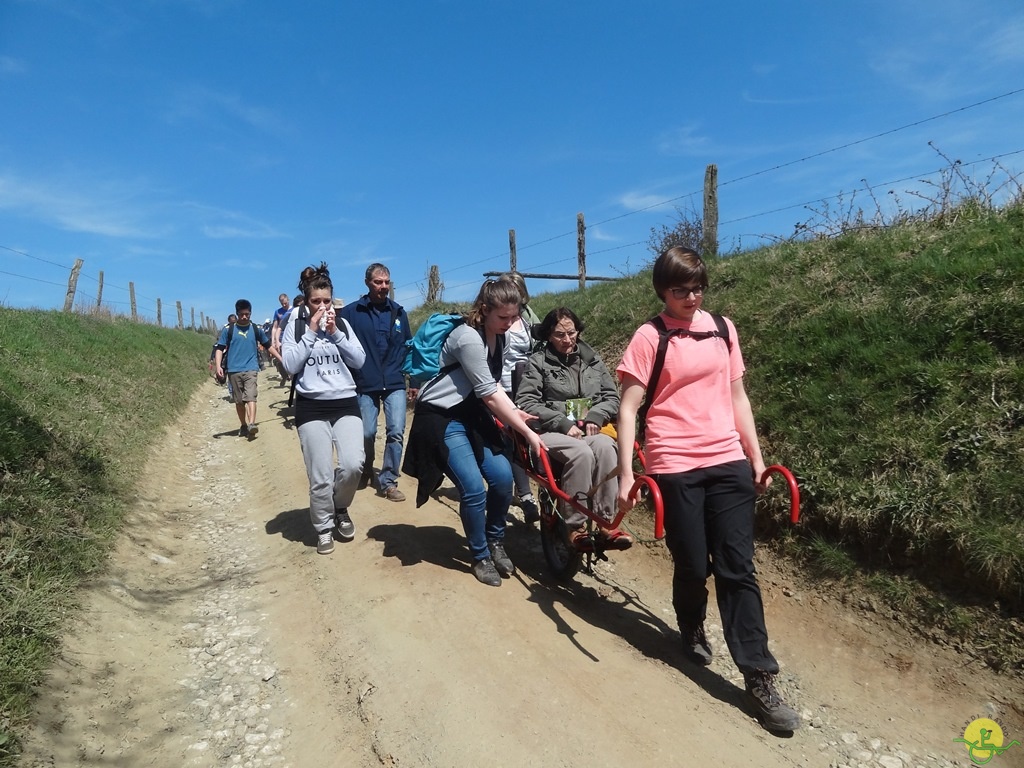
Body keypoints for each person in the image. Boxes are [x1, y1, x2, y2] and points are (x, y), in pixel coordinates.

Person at [614, 246, 800, 732]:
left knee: (738, 567)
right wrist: (626, 473)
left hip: (727, 461)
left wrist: (755, 458)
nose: (691, 297)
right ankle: (692, 622)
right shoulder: (649, 336)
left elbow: (738, 396)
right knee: (693, 563)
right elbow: (629, 409)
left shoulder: (722, 328)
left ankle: (758, 674)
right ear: (661, 290)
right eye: (680, 290)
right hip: (674, 463)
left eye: (698, 288)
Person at [403, 277, 545, 587]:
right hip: (443, 417)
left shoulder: (500, 336)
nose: (510, 323)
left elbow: (494, 386)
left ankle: (495, 540)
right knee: (472, 488)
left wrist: (514, 411)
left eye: (515, 316)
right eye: (503, 317)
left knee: (502, 479)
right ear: (484, 309)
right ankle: (480, 555)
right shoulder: (468, 337)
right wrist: (526, 431)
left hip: (473, 414)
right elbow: (489, 393)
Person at [516, 307, 632, 550]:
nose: (567, 340)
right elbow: (526, 401)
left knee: (606, 447)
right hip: (551, 432)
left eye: (572, 332)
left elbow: (611, 396)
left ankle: (604, 523)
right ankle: (574, 525)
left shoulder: (592, 360)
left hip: (589, 430)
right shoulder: (538, 363)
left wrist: (597, 415)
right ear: (548, 335)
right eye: (560, 334)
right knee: (581, 453)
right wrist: (562, 423)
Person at [280, 263, 367, 555]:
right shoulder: (296, 324)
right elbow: (290, 365)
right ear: (306, 301)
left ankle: (340, 506)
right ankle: (323, 526)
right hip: (311, 407)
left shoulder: (341, 324)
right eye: (316, 301)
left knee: (354, 464)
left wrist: (335, 334)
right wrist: (312, 331)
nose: (322, 306)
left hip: (345, 401)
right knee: (320, 476)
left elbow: (359, 360)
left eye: (326, 301)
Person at [340, 264, 413, 502]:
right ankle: (367, 467)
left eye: (386, 282)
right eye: (377, 282)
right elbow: (341, 348)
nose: (383, 287)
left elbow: (408, 347)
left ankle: (389, 480)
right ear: (366, 283)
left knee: (396, 431)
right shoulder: (351, 313)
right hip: (365, 383)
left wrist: (413, 380)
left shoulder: (399, 313)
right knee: (367, 432)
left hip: (394, 381)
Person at [499, 272, 541, 524]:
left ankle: (521, 489)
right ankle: (525, 495)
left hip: (524, 387)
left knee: (522, 439)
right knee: (512, 439)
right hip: (499, 387)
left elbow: (539, 347)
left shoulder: (528, 318)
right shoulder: (497, 319)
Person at [215, 301, 272, 439]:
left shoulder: (255, 329)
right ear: (237, 314)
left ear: (251, 313)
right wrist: (218, 367)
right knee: (239, 402)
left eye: (247, 314)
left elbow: (268, 345)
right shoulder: (228, 330)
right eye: (242, 314)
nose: (245, 317)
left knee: (251, 396)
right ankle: (243, 425)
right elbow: (219, 348)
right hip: (233, 369)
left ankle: (252, 423)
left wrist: (282, 359)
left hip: (251, 368)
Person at [270, 292, 292, 386]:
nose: (283, 305)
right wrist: (274, 341)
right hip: (281, 338)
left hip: (291, 337)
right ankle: (284, 376)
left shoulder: (294, 310)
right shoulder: (278, 312)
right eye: (281, 303)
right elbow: (275, 327)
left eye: (285, 303)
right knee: (280, 360)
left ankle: (292, 376)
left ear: (288, 300)